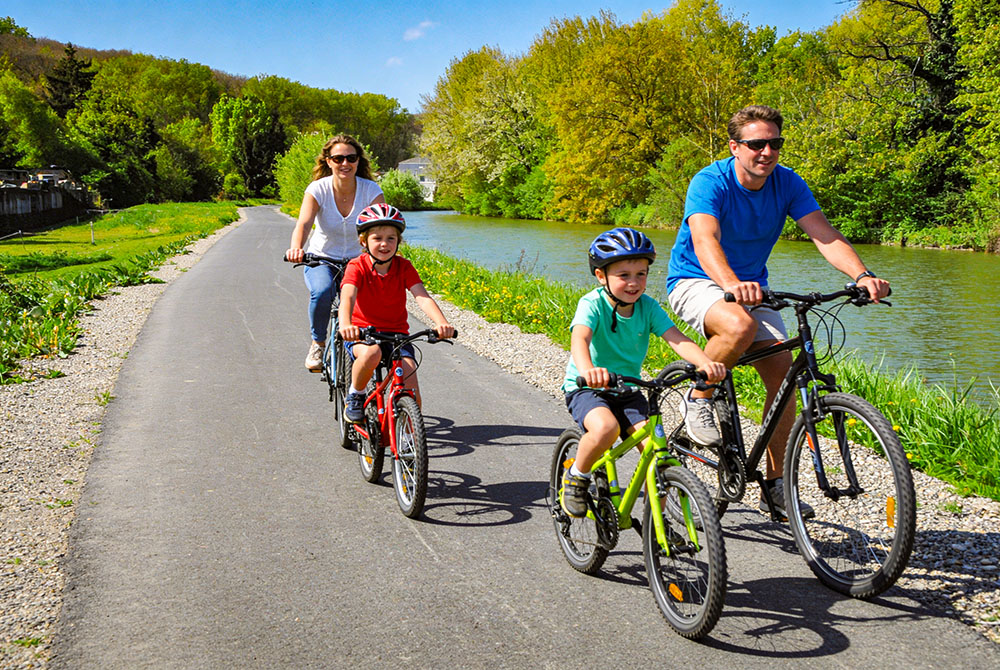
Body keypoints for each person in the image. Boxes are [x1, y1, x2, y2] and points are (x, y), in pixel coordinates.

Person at [666, 104, 891, 518]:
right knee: (738, 327)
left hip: (753, 288)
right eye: (756, 144)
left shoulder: (787, 183)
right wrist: (731, 283)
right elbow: (704, 239)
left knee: (785, 376)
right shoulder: (709, 181)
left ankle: (774, 485)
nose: (766, 151)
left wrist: (862, 274)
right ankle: (699, 395)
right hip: (695, 279)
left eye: (775, 143)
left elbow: (824, 235)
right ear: (735, 147)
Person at [559, 227, 726, 518]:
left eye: (641, 274)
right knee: (606, 429)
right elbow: (580, 339)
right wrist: (588, 371)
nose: (634, 283)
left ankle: (656, 526)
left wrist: (704, 362)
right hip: (588, 388)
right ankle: (577, 475)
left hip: (627, 390)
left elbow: (677, 338)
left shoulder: (647, 307)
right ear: (602, 276)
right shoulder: (592, 304)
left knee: (657, 455)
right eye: (624, 275)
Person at [338, 203, 455, 423]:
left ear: (398, 241)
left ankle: (408, 438)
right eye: (377, 238)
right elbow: (348, 296)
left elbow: (422, 296)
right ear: (364, 241)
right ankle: (356, 393)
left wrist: (442, 323)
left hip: (397, 335)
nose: (384, 244)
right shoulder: (357, 266)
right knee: (372, 354)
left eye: (391, 238)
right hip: (363, 333)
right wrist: (346, 325)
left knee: (411, 389)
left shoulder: (404, 267)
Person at [285, 134, 385, 372]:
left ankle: (367, 347)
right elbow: (304, 224)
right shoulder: (318, 189)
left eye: (351, 158)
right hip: (321, 258)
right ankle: (318, 343)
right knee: (321, 292)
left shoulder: (370, 190)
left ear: (358, 161)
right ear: (328, 161)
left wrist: (383, 254)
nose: (345, 164)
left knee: (368, 302)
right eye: (338, 158)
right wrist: (297, 248)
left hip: (358, 260)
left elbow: (381, 226)